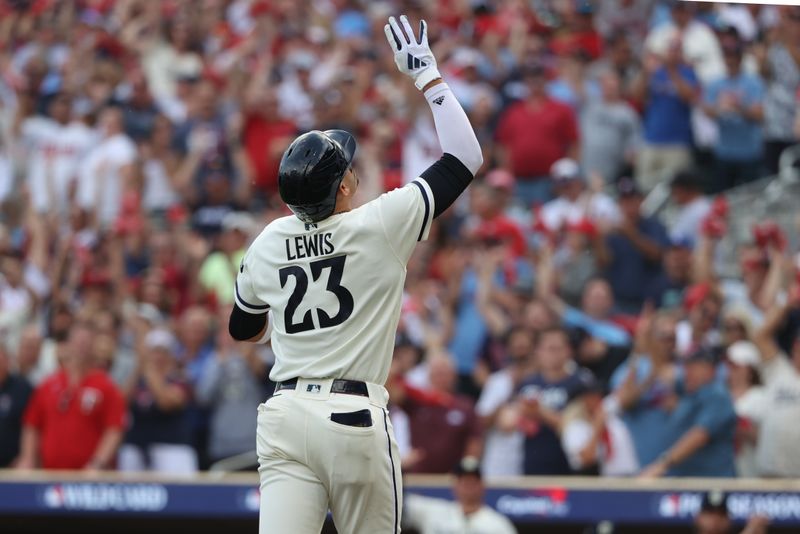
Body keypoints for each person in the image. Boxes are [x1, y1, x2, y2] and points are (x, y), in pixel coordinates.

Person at [228, 15, 482, 534]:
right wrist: (428, 78)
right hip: (352, 415)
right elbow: (465, 156)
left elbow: (243, 328)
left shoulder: (269, 239)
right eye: (348, 167)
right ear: (343, 187)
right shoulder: (380, 223)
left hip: (285, 413)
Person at [16, 322, 126, 470]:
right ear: (68, 344)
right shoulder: (49, 384)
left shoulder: (106, 386)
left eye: (86, 342)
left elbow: (114, 429)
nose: (82, 346)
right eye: (78, 341)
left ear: (94, 346)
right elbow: (32, 424)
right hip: (51, 475)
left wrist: (98, 463)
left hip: (88, 478)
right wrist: (28, 458)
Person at [640, 347, 737, 478]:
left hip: (710, 485)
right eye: (686, 366)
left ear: (709, 369)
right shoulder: (689, 391)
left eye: (693, 367)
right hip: (686, 483)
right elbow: (662, 370)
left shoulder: (717, 395)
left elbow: (699, 435)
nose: (687, 372)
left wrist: (662, 463)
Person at [703, 38, 765, 192]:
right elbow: (707, 111)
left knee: (752, 195)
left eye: (733, 57)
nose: (729, 60)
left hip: (749, 152)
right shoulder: (716, 83)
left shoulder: (753, 82)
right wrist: (720, 108)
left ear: (740, 59)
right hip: (724, 152)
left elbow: (760, 115)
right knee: (722, 196)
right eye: (726, 56)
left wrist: (739, 107)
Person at [402, 456, 517, 534]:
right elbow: (397, 504)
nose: (468, 486)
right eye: (463, 481)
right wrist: (398, 470)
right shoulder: (434, 511)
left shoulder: (498, 524)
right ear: (455, 485)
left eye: (472, 481)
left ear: (482, 485)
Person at [0, 345, 33, 467]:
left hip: (14, 464)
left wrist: (25, 456)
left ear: (8, 361)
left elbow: (31, 425)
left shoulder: (23, 388)